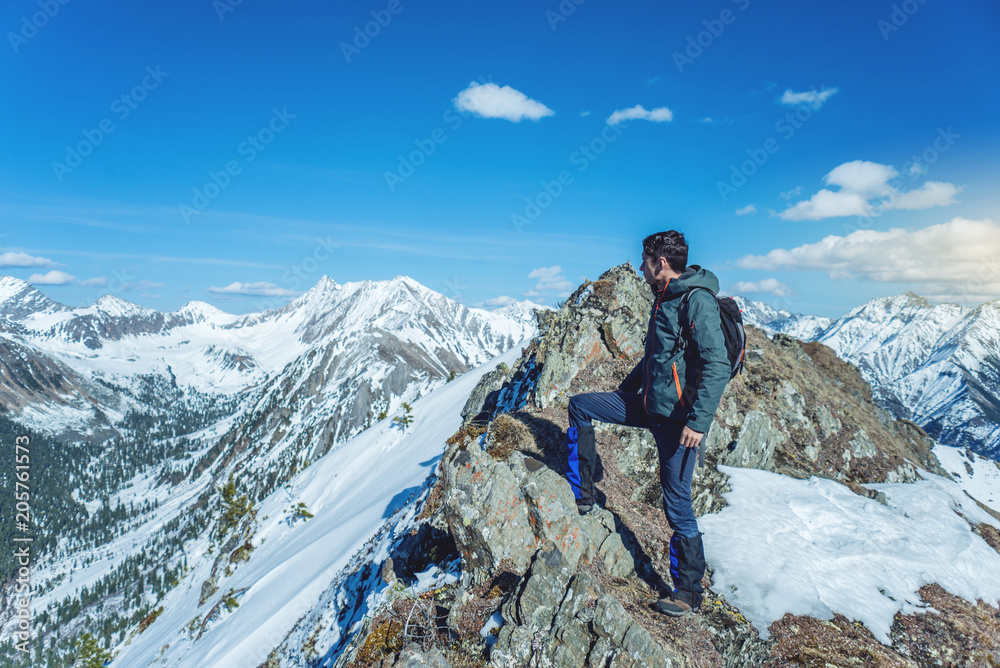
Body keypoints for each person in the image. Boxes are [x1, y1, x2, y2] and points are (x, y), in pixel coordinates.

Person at [564, 230, 730, 617]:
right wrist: (626, 390)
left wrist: (699, 424)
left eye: (645, 260)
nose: (640, 267)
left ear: (662, 262)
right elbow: (657, 356)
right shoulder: (664, 298)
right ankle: (584, 495)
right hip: (648, 405)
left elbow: (717, 365)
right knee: (580, 406)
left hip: (678, 423)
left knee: (677, 506)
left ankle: (687, 594)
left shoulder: (696, 301)